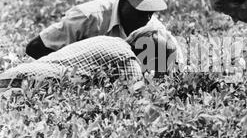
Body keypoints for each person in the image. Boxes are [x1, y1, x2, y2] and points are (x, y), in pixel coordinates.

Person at [25, 0, 170, 59]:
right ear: (124, 1)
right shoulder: (88, 17)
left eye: (151, 10)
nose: (147, 17)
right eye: (140, 10)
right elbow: (34, 47)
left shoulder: (154, 30)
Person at [0, 28, 181, 91]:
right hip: (23, 85)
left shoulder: (110, 41)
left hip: (16, 76)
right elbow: (138, 99)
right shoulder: (128, 59)